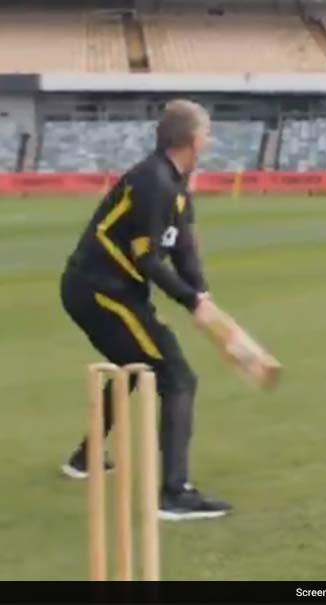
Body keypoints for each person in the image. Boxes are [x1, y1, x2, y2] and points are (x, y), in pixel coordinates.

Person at [59, 99, 231, 521]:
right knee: (177, 376)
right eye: (206, 133)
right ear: (191, 139)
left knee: (135, 364)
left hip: (116, 290)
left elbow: (184, 247)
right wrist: (189, 300)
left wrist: (202, 293)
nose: (209, 141)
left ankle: (85, 458)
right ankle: (174, 493)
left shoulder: (176, 182)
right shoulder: (153, 182)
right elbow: (149, 260)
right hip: (98, 290)